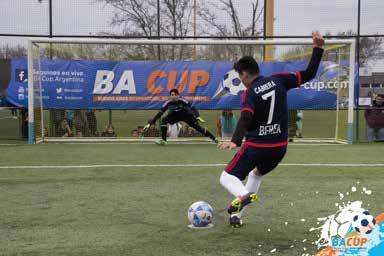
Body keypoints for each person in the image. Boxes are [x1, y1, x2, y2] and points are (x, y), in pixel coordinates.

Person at [217, 31, 324, 228]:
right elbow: (309, 74)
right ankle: (237, 215)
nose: (240, 80)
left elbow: (246, 116)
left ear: (245, 73)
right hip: (279, 148)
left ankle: (243, 196)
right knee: (256, 174)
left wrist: (235, 140)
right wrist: (318, 49)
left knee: (227, 177)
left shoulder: (249, 93)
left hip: (257, 146)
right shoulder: (279, 80)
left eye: (240, 76)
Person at [143, 88, 219, 145]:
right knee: (163, 121)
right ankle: (163, 140)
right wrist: (150, 124)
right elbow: (159, 113)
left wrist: (197, 116)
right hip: (174, 116)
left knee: (199, 129)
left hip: (185, 115)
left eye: (174, 95)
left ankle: (215, 139)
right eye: (171, 95)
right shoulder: (168, 103)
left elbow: (192, 107)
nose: (172, 96)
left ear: (177, 95)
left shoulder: (182, 100)